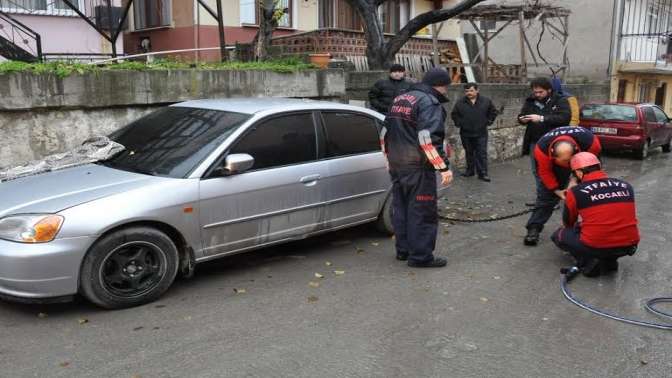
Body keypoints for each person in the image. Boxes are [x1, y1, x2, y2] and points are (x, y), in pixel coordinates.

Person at [381, 67, 454, 268]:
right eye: (446, 87)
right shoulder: (429, 103)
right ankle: (421, 256)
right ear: (440, 86)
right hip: (418, 167)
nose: (446, 91)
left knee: (401, 208)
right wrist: (443, 167)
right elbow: (427, 139)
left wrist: (388, 158)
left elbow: (384, 132)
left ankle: (403, 250)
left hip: (397, 164)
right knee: (422, 211)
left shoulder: (401, 98)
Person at [551, 152, 639, 277]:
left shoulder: (576, 192)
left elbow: (568, 223)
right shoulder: (626, 186)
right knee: (595, 228)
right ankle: (610, 260)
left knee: (559, 235)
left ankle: (589, 261)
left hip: (596, 245)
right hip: (630, 245)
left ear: (579, 173)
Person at [524, 126, 601, 246]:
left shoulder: (590, 142)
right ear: (553, 155)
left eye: (571, 161)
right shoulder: (542, 150)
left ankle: (594, 227)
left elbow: (593, 164)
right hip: (557, 166)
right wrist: (556, 190)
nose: (569, 165)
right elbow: (545, 173)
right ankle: (534, 228)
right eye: (566, 161)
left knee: (590, 192)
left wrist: (574, 179)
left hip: (585, 161)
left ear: (576, 150)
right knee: (546, 197)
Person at [519, 78, 572, 206]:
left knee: (553, 171)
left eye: (540, 92)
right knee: (537, 171)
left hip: (554, 143)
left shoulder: (561, 100)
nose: (537, 95)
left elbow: (565, 118)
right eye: (535, 92)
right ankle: (541, 198)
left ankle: (553, 199)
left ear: (549, 90)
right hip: (535, 141)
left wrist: (542, 118)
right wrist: (522, 119)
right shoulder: (531, 100)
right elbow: (522, 115)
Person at [450, 83, 498, 182]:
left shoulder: (486, 101)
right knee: (469, 152)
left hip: (481, 132)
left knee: (481, 153)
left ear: (477, 90)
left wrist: (488, 122)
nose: (469, 93)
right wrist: (459, 123)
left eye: (471, 91)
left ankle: (483, 173)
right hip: (466, 133)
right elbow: (454, 114)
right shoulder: (460, 102)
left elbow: (493, 112)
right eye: (467, 91)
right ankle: (470, 171)